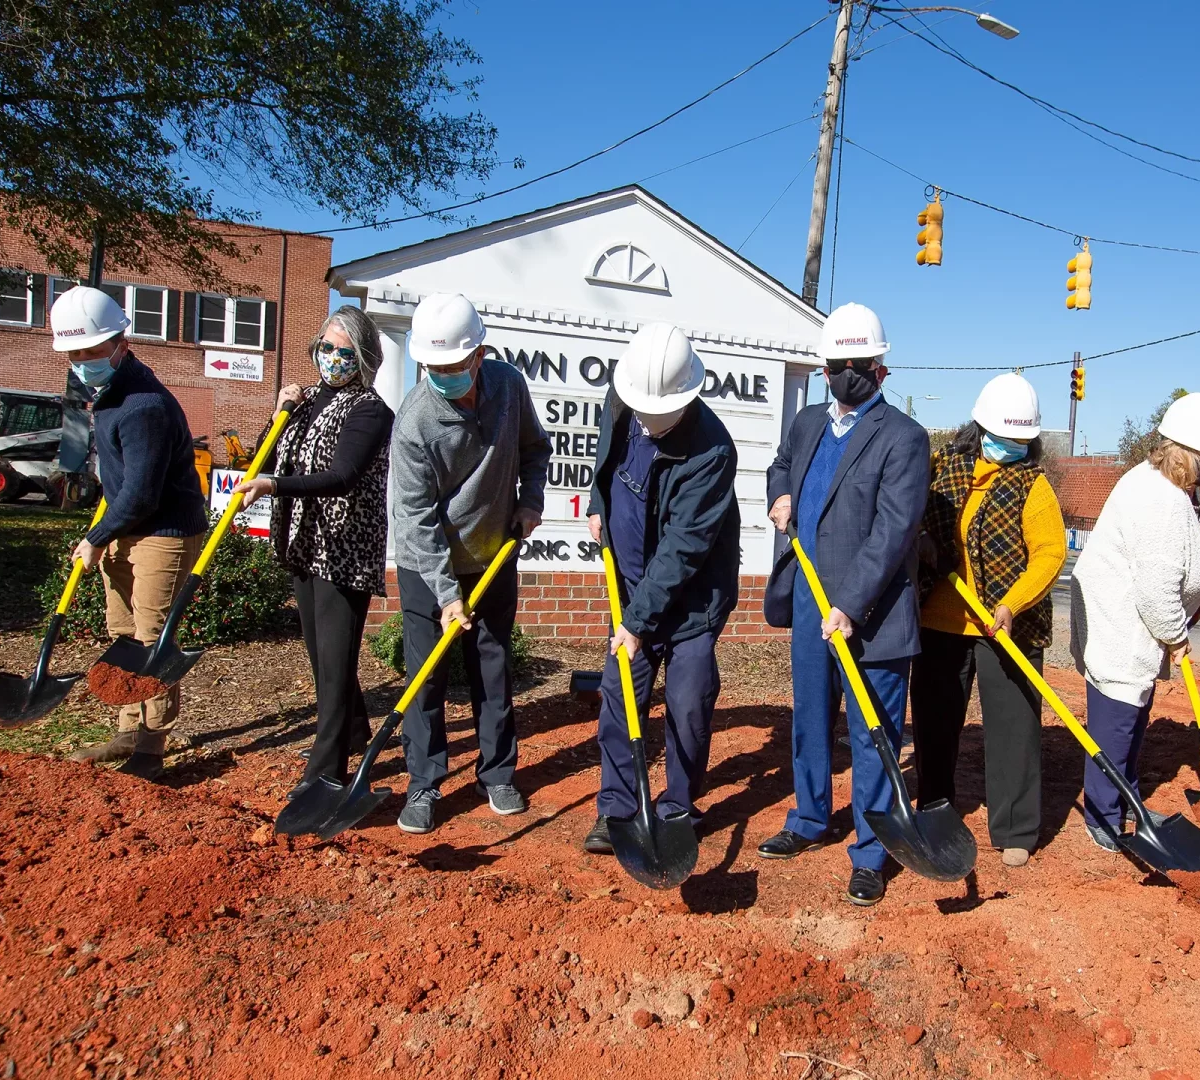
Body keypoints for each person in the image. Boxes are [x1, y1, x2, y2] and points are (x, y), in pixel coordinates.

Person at [760, 302, 930, 907]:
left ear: (881, 368)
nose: (846, 374)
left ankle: (872, 848)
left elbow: (893, 529)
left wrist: (851, 604)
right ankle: (809, 818)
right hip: (810, 603)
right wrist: (780, 496)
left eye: (859, 364)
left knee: (872, 734)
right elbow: (780, 467)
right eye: (837, 365)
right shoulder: (807, 422)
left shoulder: (904, 439)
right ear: (825, 366)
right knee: (810, 719)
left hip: (873, 616)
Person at [389, 292, 550, 833]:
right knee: (427, 675)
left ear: (480, 354)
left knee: (493, 666)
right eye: (433, 368)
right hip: (426, 563)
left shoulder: (508, 386)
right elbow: (414, 515)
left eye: (455, 366)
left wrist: (530, 502)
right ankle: (424, 783)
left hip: (493, 551)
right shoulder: (414, 423)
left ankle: (498, 773)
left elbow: (535, 448)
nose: (444, 377)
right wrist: (446, 593)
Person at [578, 324, 741, 855]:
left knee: (688, 701)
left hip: (691, 598)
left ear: (687, 396)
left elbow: (683, 549)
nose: (645, 419)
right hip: (628, 588)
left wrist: (637, 623)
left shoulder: (712, 452)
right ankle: (617, 809)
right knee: (620, 700)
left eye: (658, 411)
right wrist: (599, 504)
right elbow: (606, 458)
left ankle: (676, 808)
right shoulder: (624, 395)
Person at [234, 307, 394, 797]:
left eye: (344, 351)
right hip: (302, 543)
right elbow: (264, 450)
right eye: (326, 348)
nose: (333, 358)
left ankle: (327, 771)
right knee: (323, 657)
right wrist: (279, 409)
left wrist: (275, 486)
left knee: (334, 656)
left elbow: (343, 476)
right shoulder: (305, 403)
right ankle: (350, 733)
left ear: (363, 357)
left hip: (343, 548)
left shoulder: (370, 410)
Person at [911, 373, 1067, 868]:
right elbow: (912, 511)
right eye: (1004, 438)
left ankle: (1016, 828)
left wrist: (1011, 603)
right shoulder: (943, 468)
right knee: (936, 724)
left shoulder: (1034, 485)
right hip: (942, 622)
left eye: (1022, 442)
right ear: (979, 428)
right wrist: (922, 537)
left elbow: (1050, 553)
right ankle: (934, 808)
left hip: (1009, 626)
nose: (1012, 448)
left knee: (1015, 728)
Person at [53, 285, 208, 779]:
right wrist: (103, 530)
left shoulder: (144, 406)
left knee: (151, 640)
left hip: (161, 531)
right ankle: (126, 728)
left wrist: (97, 537)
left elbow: (141, 494)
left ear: (121, 341)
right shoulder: (110, 395)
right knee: (121, 632)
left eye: (91, 351)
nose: (81, 361)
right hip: (125, 527)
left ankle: (152, 745)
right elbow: (118, 483)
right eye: (74, 353)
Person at [1069, 392, 1200, 851]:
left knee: (1134, 713)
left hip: (1139, 625)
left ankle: (1126, 803)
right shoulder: (1159, 498)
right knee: (1117, 720)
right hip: (1123, 623)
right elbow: (1156, 586)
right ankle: (1104, 817)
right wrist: (1176, 636)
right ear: (1184, 452)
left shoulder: (1176, 487)